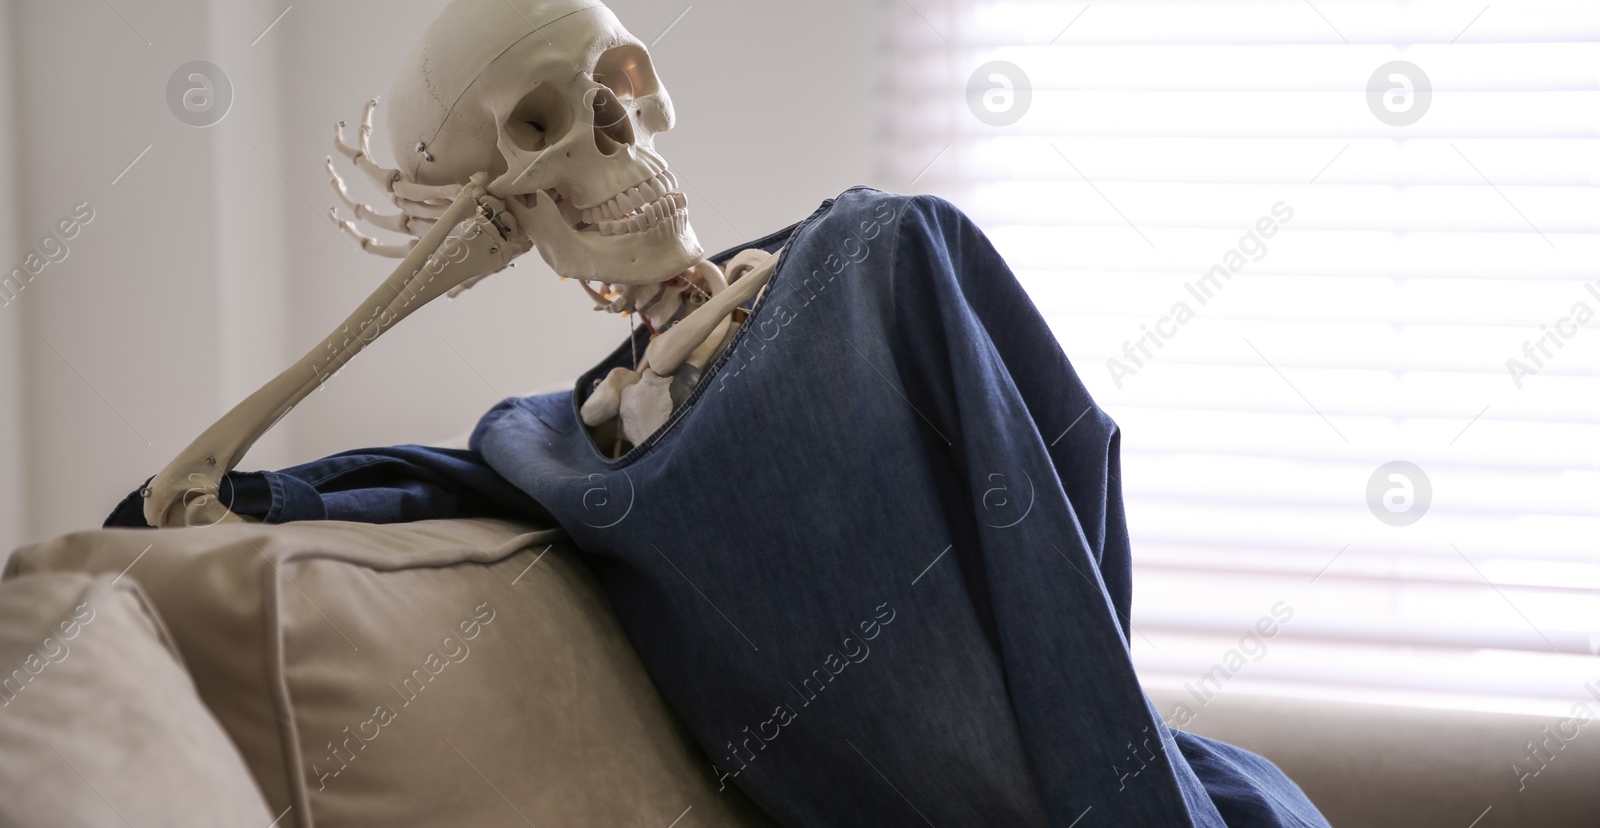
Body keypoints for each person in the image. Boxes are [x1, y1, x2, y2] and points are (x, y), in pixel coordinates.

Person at [111, 187, 1330, 827]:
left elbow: (1069, 502)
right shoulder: (554, 443)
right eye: (557, 122)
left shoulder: (875, 251)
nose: (631, 143)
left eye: (630, 98)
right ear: (491, 199)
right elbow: (186, 501)